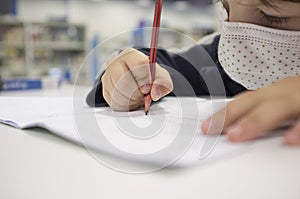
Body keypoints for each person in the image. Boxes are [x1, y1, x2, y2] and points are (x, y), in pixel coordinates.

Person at [86, 0, 300, 146]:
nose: (237, 33)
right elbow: (159, 64)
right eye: (224, 6)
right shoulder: (214, 63)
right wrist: (130, 75)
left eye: (272, 16)